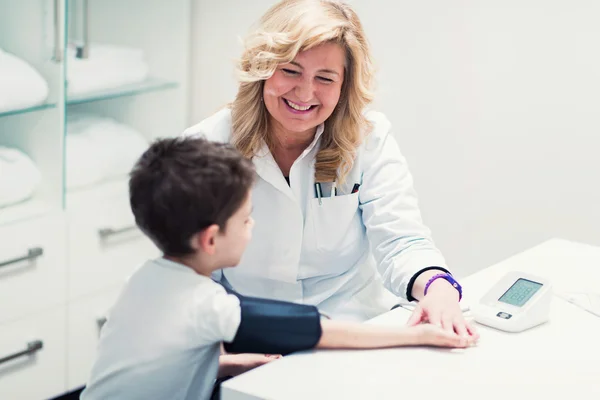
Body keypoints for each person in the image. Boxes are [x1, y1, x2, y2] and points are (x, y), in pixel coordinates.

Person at [79, 137, 476, 400]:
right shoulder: (205, 304)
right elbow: (315, 329)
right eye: (247, 219)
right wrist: (414, 335)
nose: (253, 227)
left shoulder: (145, 279)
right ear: (211, 239)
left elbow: (155, 359)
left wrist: (229, 363)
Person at [184, 0, 478, 336]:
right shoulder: (204, 146)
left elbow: (401, 239)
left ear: (344, 87)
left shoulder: (368, 138)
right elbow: (196, 272)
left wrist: (438, 288)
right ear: (263, 67)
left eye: (325, 78)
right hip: (250, 328)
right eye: (291, 70)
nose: (305, 92)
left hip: (353, 325)